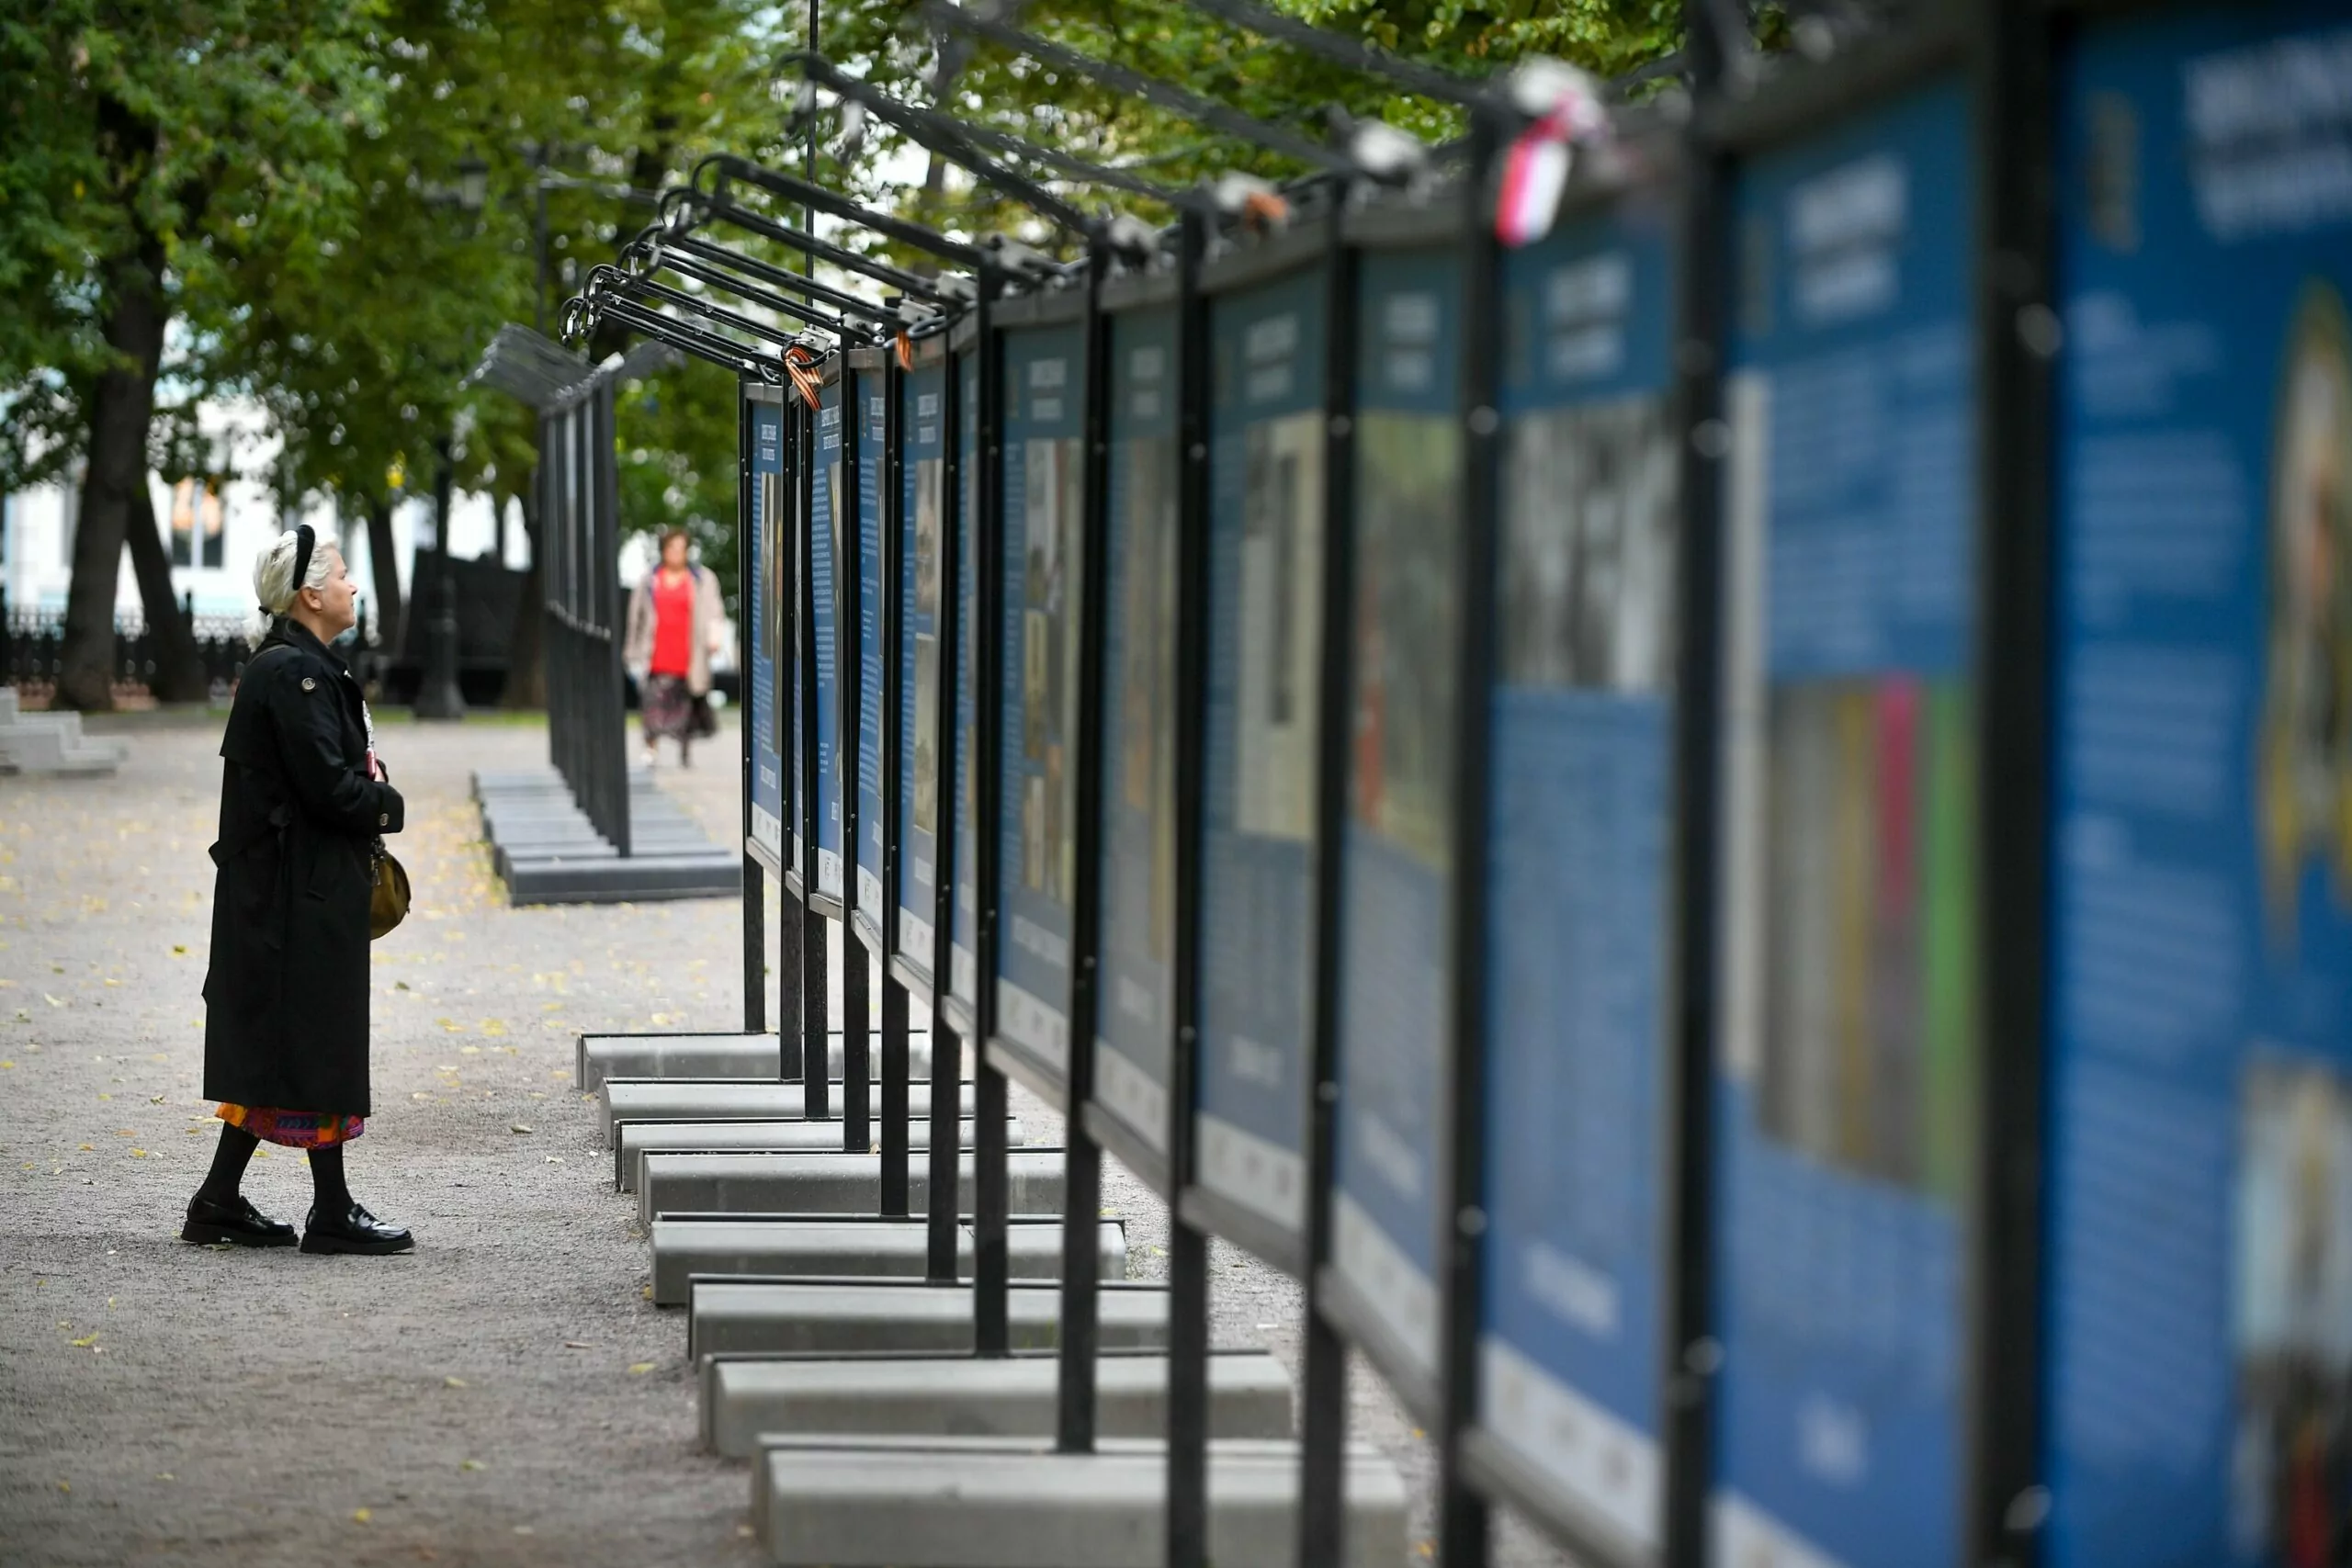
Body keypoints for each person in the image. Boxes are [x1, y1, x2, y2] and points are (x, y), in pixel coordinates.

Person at [184, 525, 412, 1256]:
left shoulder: (297, 665)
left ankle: (222, 1200)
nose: (353, 585)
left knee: (295, 1045)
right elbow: (328, 787)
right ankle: (327, 1210)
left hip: (295, 887)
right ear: (311, 595)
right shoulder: (294, 672)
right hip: (293, 893)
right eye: (343, 575)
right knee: (311, 1042)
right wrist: (387, 804)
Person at [624, 527, 725, 768]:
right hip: (656, 654)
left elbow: (715, 612)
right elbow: (635, 617)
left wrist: (714, 639)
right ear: (663, 550)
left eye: (681, 548)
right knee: (652, 704)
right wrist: (631, 650)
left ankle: (684, 751)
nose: (677, 553)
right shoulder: (650, 580)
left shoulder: (702, 579)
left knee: (685, 708)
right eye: (672, 548)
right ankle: (651, 747)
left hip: (688, 655)